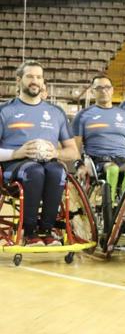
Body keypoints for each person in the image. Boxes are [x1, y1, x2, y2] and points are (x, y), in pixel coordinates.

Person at [0, 60, 80, 246]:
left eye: (38, 77)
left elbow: (73, 152)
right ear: (19, 80)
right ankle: (29, 232)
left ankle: (47, 230)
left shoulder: (56, 112)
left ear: (43, 82)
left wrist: (56, 152)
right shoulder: (5, 111)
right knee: (34, 171)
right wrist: (16, 154)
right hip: (15, 166)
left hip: (48, 162)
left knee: (57, 171)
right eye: (29, 76)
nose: (34, 81)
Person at [73, 75, 125, 204]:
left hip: (122, 159)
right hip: (98, 160)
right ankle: (111, 205)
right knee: (112, 169)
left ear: (112, 90)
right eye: (99, 88)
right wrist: (79, 165)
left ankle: (123, 206)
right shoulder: (83, 116)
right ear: (92, 91)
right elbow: (76, 147)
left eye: (107, 87)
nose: (104, 91)